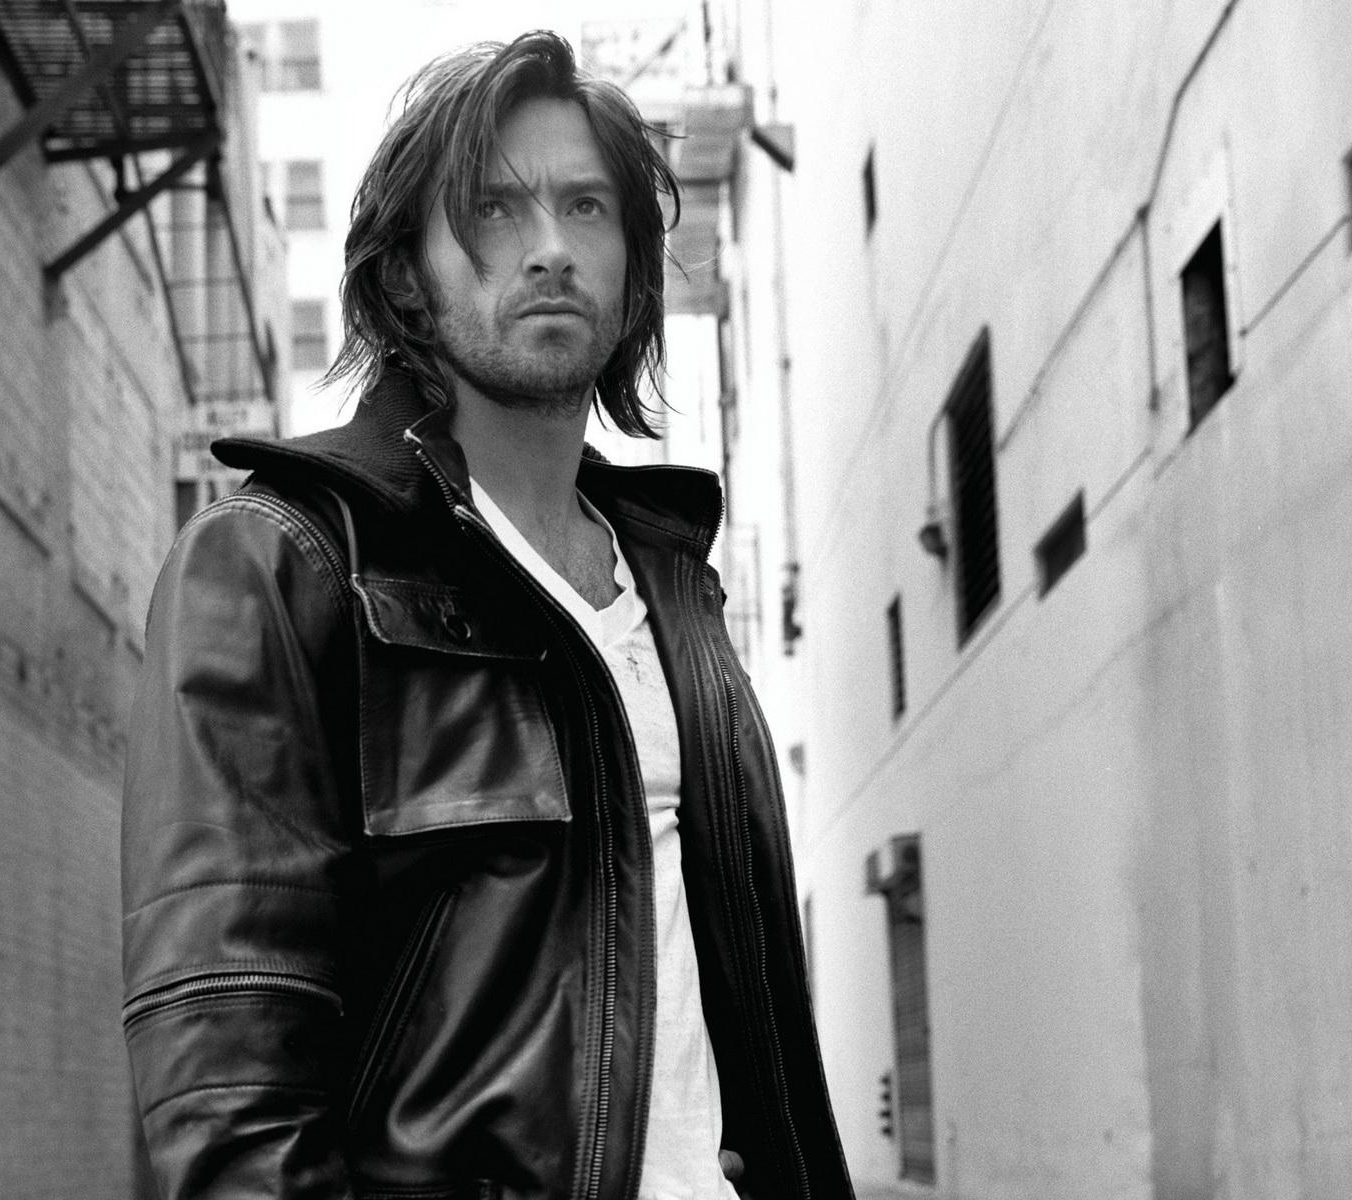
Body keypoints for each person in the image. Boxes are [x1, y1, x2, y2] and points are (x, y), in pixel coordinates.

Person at [121, 30, 851, 1200]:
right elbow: (228, 1099)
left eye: (586, 207)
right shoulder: (282, 563)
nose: (551, 247)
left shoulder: (678, 589)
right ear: (407, 277)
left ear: (634, 269)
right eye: (495, 210)